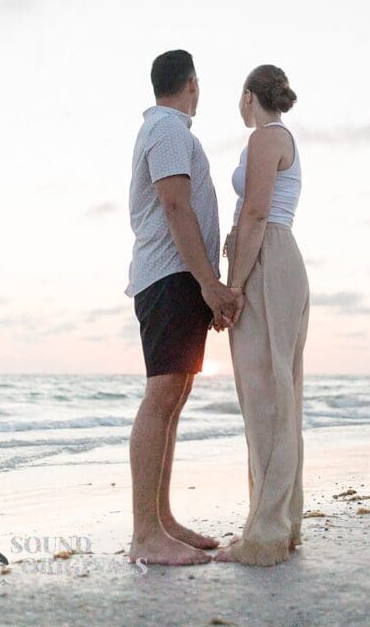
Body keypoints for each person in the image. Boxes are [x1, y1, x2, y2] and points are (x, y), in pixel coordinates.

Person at [126, 49, 244, 566]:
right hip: (170, 278)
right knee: (161, 397)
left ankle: (163, 521)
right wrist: (210, 285)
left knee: (173, 397)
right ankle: (145, 534)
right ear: (192, 83)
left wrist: (205, 286)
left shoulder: (167, 130)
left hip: (179, 279)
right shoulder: (169, 130)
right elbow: (175, 206)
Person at [213, 64, 310, 566]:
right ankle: (278, 523)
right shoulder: (275, 138)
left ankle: (265, 536)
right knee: (277, 395)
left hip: (267, 258)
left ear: (249, 96)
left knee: (266, 397)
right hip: (274, 256)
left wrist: (234, 286)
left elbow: (254, 213)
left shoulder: (266, 138)